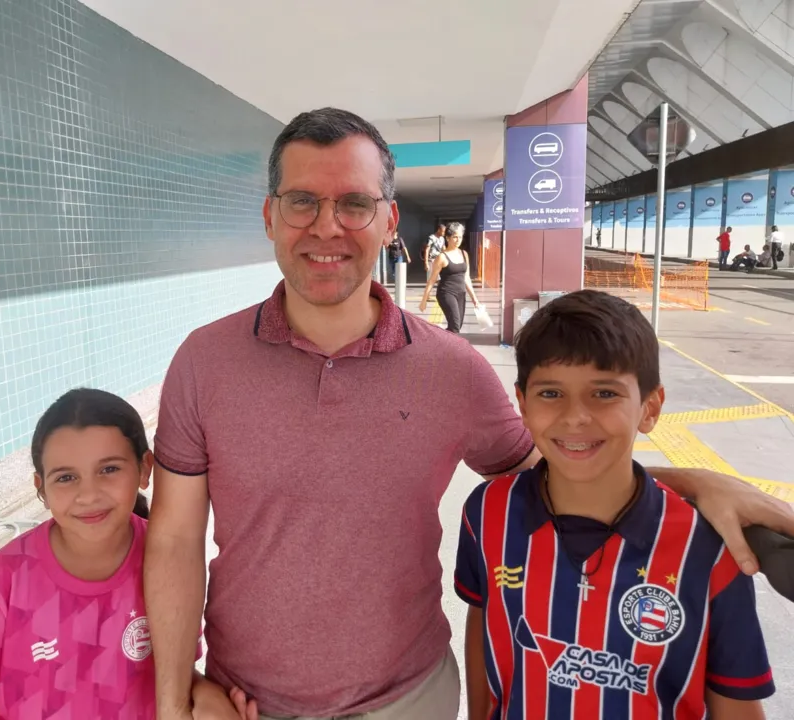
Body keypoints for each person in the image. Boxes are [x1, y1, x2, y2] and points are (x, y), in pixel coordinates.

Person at [144, 107, 794, 720]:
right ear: (268, 214)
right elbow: (173, 541)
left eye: (354, 203)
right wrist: (175, 700)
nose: (326, 226)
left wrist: (699, 484)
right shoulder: (205, 362)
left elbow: (567, 470)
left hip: (411, 698)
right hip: (243, 700)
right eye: (302, 201)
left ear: (390, 220)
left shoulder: (450, 369)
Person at [456, 290, 775, 720]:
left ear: (650, 407)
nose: (575, 417)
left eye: (604, 394)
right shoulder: (487, 514)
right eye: (551, 394)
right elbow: (484, 632)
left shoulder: (709, 547)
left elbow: (735, 702)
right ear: (522, 405)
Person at [0, 388, 255, 720]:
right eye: (66, 477)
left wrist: (208, 699)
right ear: (41, 488)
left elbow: (177, 678)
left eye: (109, 470)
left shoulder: (169, 562)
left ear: (145, 469)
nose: (88, 494)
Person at [419, 221, 481, 333]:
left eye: (460, 237)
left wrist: (474, 298)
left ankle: (439, 338)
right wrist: (424, 300)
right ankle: (448, 347)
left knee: (457, 326)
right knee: (455, 325)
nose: (458, 240)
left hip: (461, 293)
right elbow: (432, 280)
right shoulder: (441, 257)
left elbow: (466, 278)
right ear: (448, 238)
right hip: (446, 293)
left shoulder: (464, 254)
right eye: (455, 237)